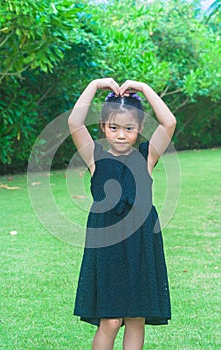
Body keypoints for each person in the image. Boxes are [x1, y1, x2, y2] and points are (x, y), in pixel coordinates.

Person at [68, 78, 177, 350]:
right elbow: (74, 123)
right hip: (107, 243)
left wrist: (143, 88)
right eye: (113, 127)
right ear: (103, 127)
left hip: (141, 242)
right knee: (112, 320)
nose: (120, 134)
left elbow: (169, 123)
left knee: (136, 317)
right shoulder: (95, 158)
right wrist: (94, 85)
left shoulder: (147, 157)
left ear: (139, 128)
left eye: (129, 128)